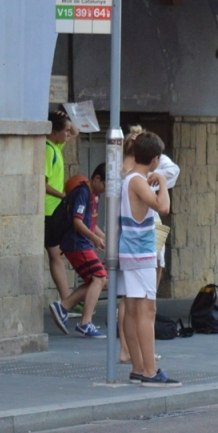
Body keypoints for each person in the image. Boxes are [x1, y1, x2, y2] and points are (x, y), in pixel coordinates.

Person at [120, 131, 179, 387]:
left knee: (133, 311)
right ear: (155, 159)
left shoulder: (129, 177)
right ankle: (150, 371)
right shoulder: (138, 181)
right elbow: (162, 207)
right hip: (141, 252)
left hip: (130, 250)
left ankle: (138, 367)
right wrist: (163, 183)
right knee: (147, 311)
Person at [49, 164, 109, 338]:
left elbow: (90, 223)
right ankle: (85, 323)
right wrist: (94, 238)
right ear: (97, 178)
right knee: (100, 277)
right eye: (105, 185)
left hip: (81, 243)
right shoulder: (82, 193)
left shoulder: (93, 195)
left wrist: (103, 237)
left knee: (99, 280)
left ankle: (64, 306)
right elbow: (77, 221)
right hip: (76, 243)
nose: (106, 190)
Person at [44, 110, 78, 309]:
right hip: (50, 208)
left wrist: (67, 118)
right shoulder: (48, 149)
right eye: (63, 130)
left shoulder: (56, 145)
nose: (67, 134)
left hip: (56, 208)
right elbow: (43, 183)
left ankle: (68, 299)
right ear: (54, 131)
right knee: (55, 254)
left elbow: (75, 133)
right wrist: (63, 196)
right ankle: (67, 300)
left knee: (58, 254)